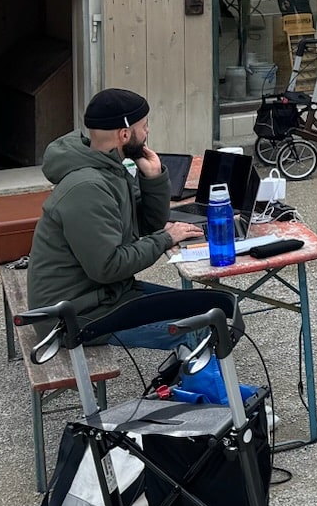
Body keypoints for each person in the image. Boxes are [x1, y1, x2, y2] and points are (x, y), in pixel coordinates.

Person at [27, 88, 204, 349]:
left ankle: (201, 382)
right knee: (197, 330)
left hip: (105, 296)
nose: (147, 133)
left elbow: (146, 223)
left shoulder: (110, 168)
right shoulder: (87, 187)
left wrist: (153, 178)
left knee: (208, 309)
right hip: (72, 316)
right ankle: (204, 388)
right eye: (144, 126)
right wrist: (166, 239)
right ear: (124, 134)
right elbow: (108, 267)